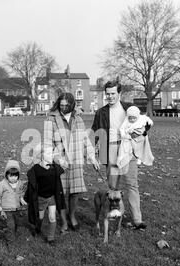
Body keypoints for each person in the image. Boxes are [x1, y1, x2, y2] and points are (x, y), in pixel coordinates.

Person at [91, 81, 151, 230]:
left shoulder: (129, 108)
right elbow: (93, 134)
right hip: (110, 150)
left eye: (113, 93)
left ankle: (137, 220)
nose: (110, 96)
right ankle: (113, 213)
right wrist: (91, 155)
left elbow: (144, 123)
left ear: (119, 93)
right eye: (108, 94)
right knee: (113, 187)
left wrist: (143, 132)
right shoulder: (101, 113)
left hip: (128, 150)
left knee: (132, 184)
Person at [44, 92, 100, 233]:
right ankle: (63, 221)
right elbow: (47, 143)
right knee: (60, 192)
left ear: (72, 105)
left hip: (76, 159)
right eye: (61, 105)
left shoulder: (78, 118)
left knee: (75, 191)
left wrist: (92, 157)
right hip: (60, 160)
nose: (63, 108)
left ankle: (72, 216)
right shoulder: (50, 119)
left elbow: (85, 140)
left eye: (66, 106)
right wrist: (57, 159)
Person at [23, 143, 66, 245]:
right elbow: (32, 185)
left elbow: (63, 168)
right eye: (48, 153)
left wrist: (63, 163)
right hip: (40, 198)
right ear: (42, 155)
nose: (51, 155)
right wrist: (26, 197)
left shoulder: (55, 168)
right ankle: (37, 228)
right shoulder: (36, 169)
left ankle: (50, 238)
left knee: (52, 217)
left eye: (52, 153)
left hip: (52, 197)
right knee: (40, 217)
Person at [0, 160, 26, 243]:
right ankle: (10, 241)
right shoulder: (2, 184)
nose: (13, 178)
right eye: (11, 176)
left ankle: (13, 234)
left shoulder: (20, 183)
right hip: (7, 209)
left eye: (15, 176)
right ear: (6, 175)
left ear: (18, 175)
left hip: (17, 209)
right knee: (10, 225)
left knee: (17, 224)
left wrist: (21, 198)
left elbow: (22, 192)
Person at [117, 105, 154, 171]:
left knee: (140, 147)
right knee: (132, 147)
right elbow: (122, 128)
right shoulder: (126, 121)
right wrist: (124, 134)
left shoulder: (142, 118)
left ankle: (139, 157)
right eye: (130, 118)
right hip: (131, 137)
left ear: (137, 116)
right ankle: (132, 156)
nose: (132, 120)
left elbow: (147, 119)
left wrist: (150, 122)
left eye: (134, 118)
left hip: (140, 137)